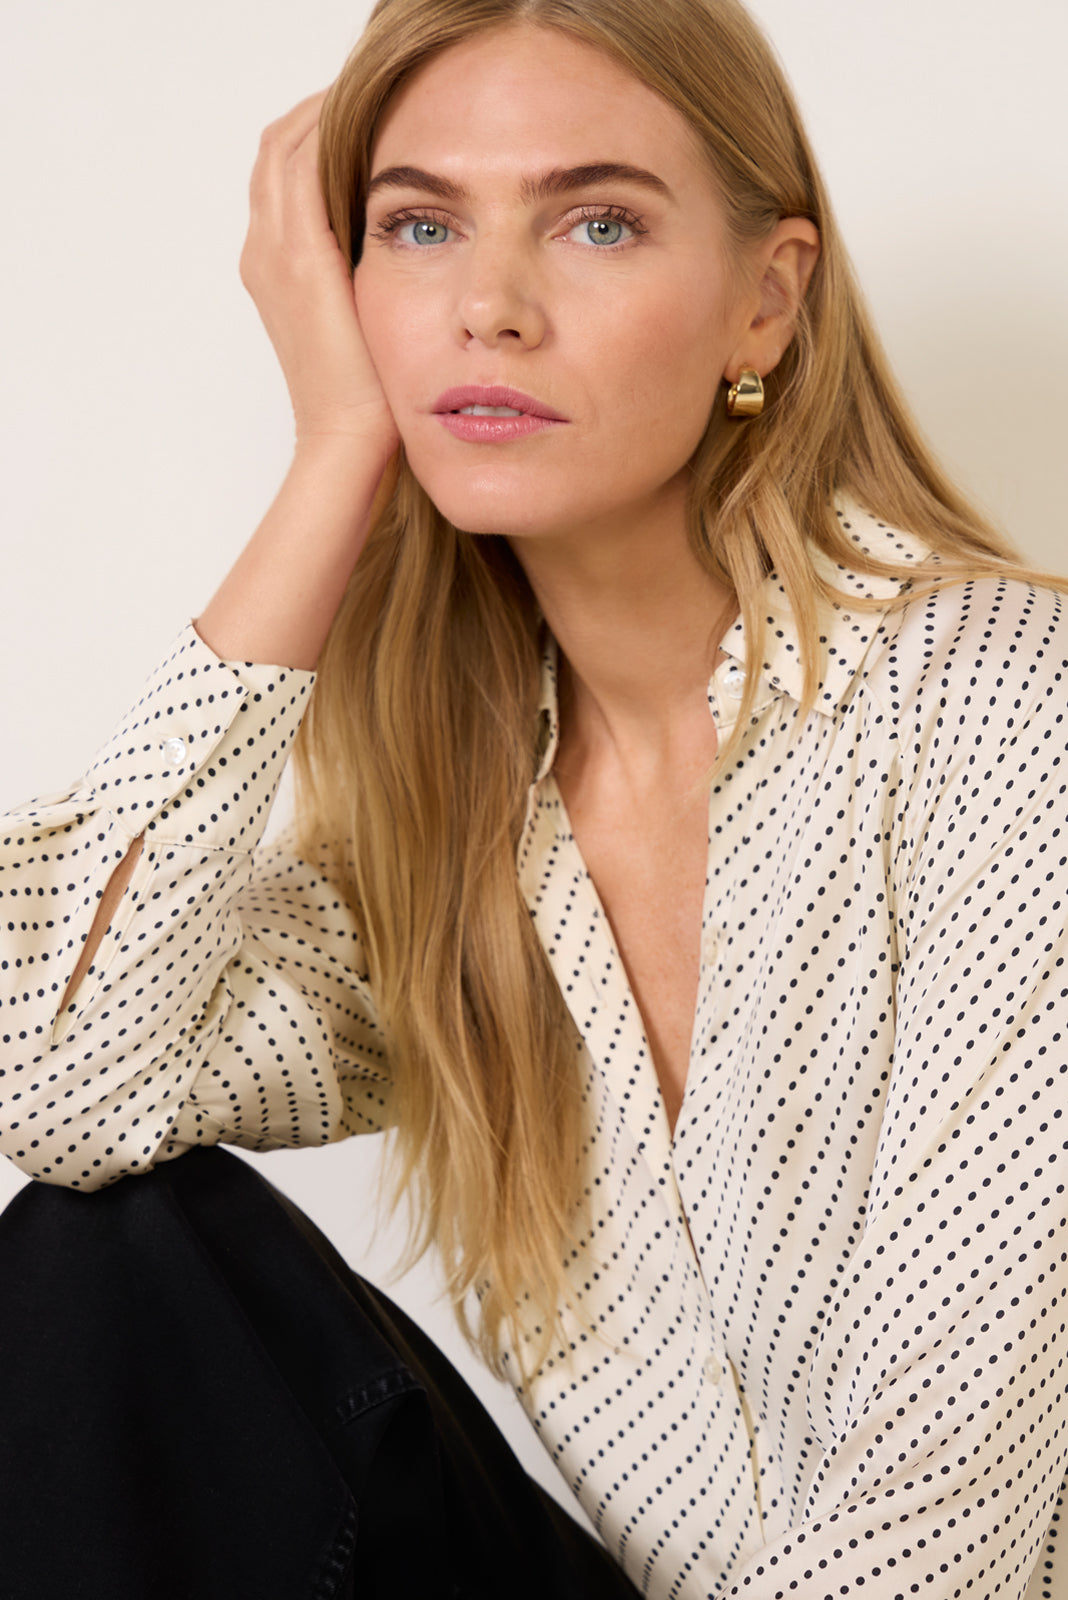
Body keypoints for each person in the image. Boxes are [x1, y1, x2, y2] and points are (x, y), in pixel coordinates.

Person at [2, 0, 1067, 1595]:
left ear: (766, 302)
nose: (487, 309)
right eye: (419, 227)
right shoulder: (449, 834)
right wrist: (336, 451)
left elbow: (946, 1508)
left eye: (596, 223)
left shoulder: (1007, 707)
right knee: (112, 1250)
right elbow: (66, 1082)